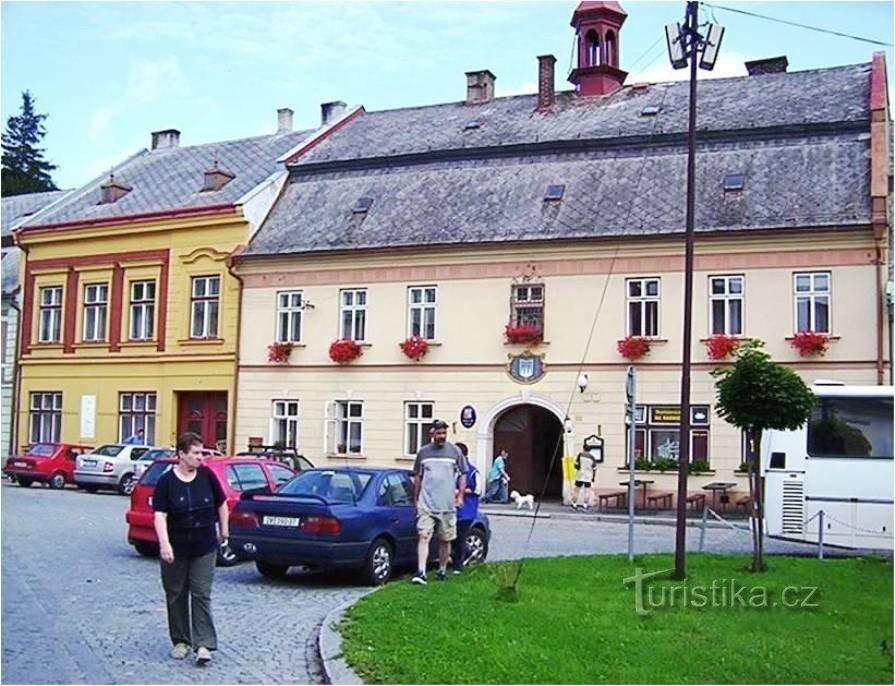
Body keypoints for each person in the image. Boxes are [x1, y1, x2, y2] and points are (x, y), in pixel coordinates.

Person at [153, 432, 229, 666]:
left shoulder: (207, 475)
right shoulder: (166, 482)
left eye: (202, 452)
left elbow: (222, 503)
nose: (201, 457)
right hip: (176, 547)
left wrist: (224, 530)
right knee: (175, 593)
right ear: (181, 455)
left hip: (204, 545)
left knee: (201, 593)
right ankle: (180, 641)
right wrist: (164, 543)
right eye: (195, 453)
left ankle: (203, 644)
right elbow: (159, 515)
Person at [411, 419, 467, 585]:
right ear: (432, 434)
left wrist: (460, 496)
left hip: (447, 505)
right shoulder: (423, 453)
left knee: (445, 539)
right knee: (424, 535)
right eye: (439, 433)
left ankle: (442, 569)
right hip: (426, 504)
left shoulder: (455, 451)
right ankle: (421, 572)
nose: (442, 436)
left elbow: (463, 473)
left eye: (444, 433)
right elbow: (417, 477)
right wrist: (416, 498)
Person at [451, 442, 479, 574]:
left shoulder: (472, 471)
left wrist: (459, 491)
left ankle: (458, 565)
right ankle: (465, 553)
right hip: (452, 509)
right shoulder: (452, 470)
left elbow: (477, 489)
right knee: (452, 537)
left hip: (466, 510)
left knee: (460, 536)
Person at [571, 441, 598, 510]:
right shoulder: (592, 457)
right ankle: (585, 505)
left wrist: (575, 466)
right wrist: (593, 477)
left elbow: (576, 465)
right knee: (587, 490)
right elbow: (594, 468)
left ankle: (574, 504)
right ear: (590, 450)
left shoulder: (580, 455)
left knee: (577, 490)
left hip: (580, 475)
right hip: (588, 476)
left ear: (583, 448)